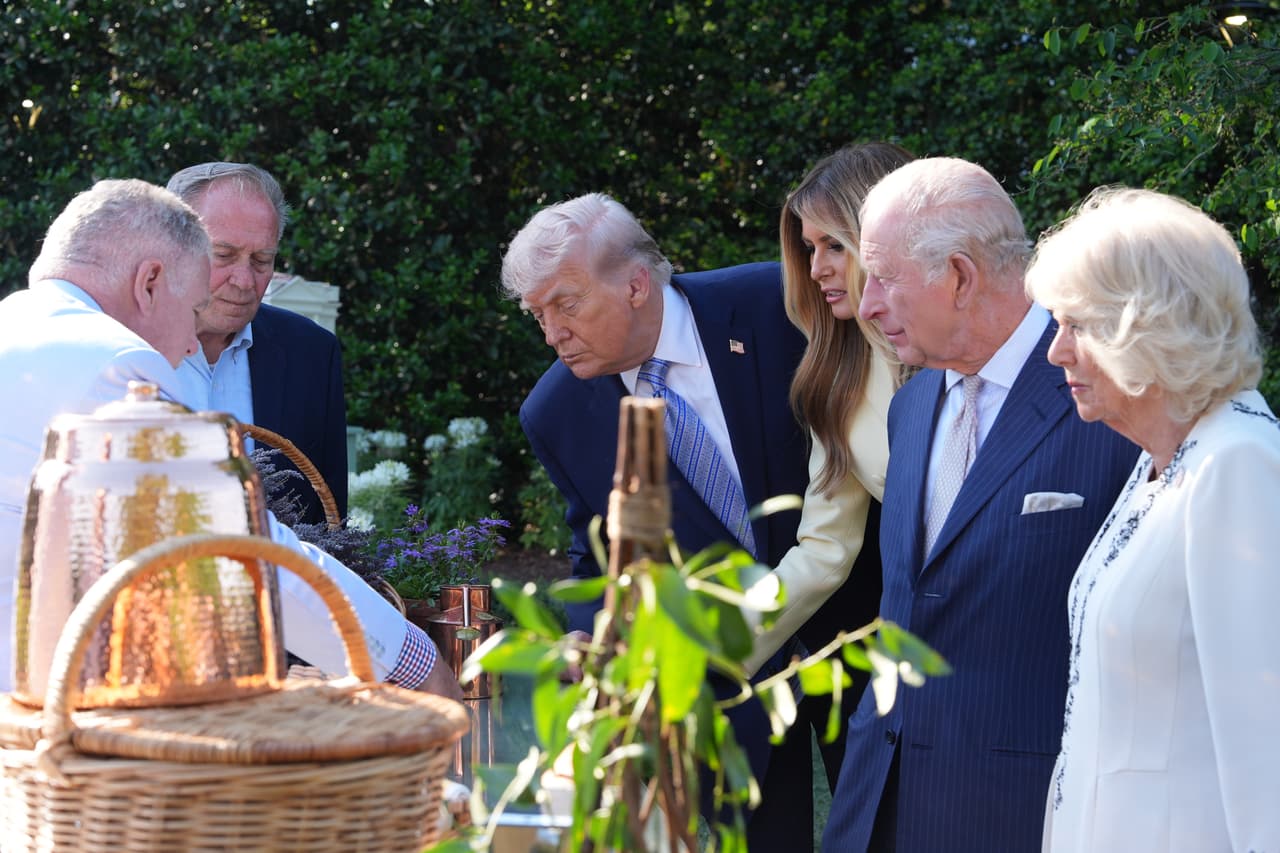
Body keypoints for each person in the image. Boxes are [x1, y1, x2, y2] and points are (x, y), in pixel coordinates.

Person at [0, 178, 459, 700]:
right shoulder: (120, 363)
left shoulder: (15, 324)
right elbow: (240, 547)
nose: (187, 347)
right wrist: (412, 661)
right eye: (194, 310)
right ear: (149, 282)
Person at [821, 158, 1139, 853]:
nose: (866, 305)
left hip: (1023, 813)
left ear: (960, 277)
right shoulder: (910, 408)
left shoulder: (1109, 397)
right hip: (876, 804)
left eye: (884, 278)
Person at [503, 192, 814, 849]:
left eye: (565, 304)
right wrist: (591, 635)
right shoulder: (555, 411)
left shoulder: (776, 303)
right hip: (724, 678)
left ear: (636, 285)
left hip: (857, 628)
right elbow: (597, 543)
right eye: (537, 314)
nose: (552, 334)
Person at [1025, 187, 1280, 852]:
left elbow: (1269, 742)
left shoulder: (1239, 462)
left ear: (1150, 324)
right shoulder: (1163, 458)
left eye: (1077, 325)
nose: (1056, 352)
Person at [740, 141, 914, 792]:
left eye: (833, 245)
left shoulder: (979, 353)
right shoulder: (837, 375)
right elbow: (822, 551)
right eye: (809, 249)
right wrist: (712, 650)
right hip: (917, 656)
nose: (815, 269)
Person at [167, 162, 348, 525]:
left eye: (262, 260)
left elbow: (330, 526)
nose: (244, 280)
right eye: (223, 255)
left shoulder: (311, 354)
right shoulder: (119, 348)